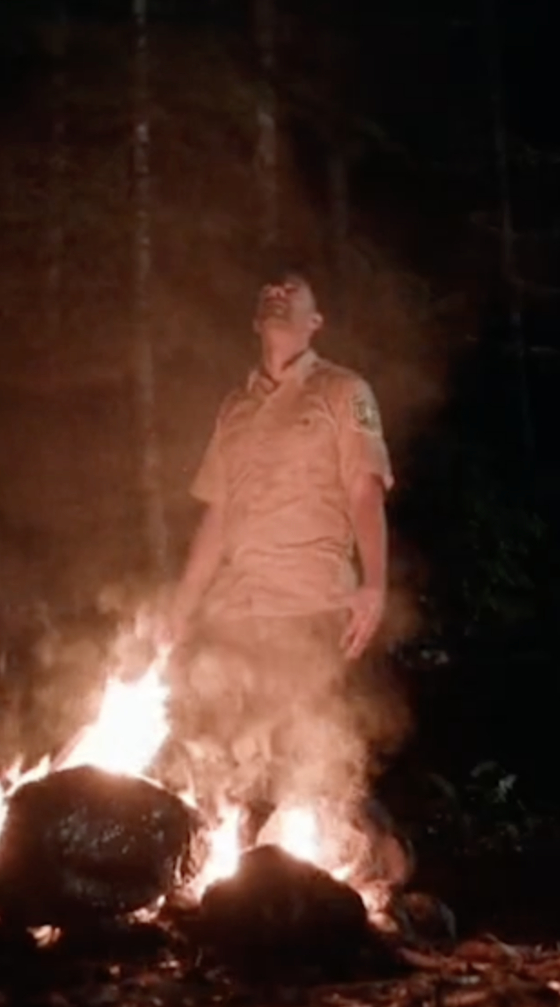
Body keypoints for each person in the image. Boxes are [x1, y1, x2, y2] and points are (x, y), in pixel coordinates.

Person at [161, 266, 395, 835]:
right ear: (254, 321)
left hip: (311, 606)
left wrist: (374, 583)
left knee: (307, 765)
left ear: (316, 321)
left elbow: (364, 489)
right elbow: (217, 515)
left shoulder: (344, 391)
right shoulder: (234, 408)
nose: (277, 295)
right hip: (236, 611)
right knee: (227, 767)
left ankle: (362, 865)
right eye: (268, 291)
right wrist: (182, 604)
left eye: (291, 291)